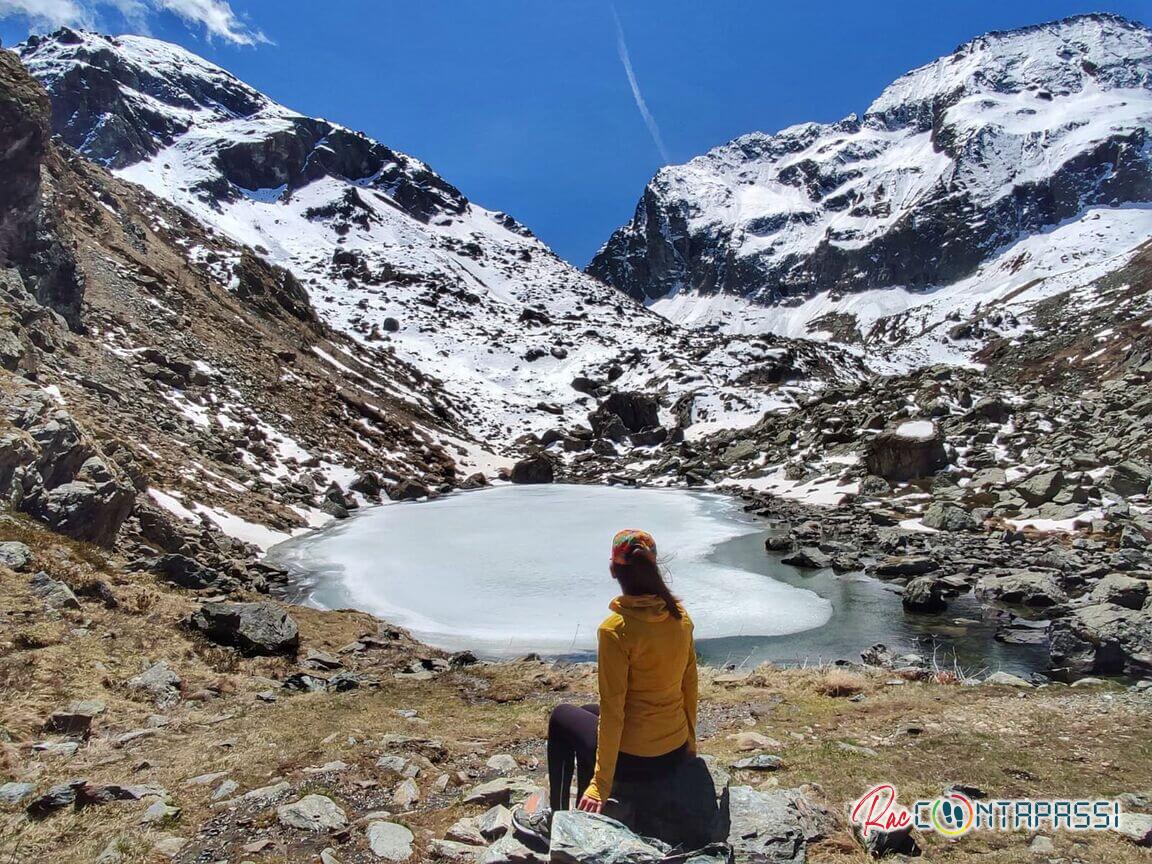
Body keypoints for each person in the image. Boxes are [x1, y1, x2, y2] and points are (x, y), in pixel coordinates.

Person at [513, 528, 698, 849]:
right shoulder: (679, 617)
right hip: (673, 749)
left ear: (614, 569)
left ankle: (561, 822)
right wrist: (690, 746)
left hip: (639, 759)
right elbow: (689, 684)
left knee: (561, 717)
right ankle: (592, 805)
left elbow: (614, 710)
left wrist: (601, 783)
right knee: (585, 714)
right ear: (653, 567)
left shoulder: (616, 630)